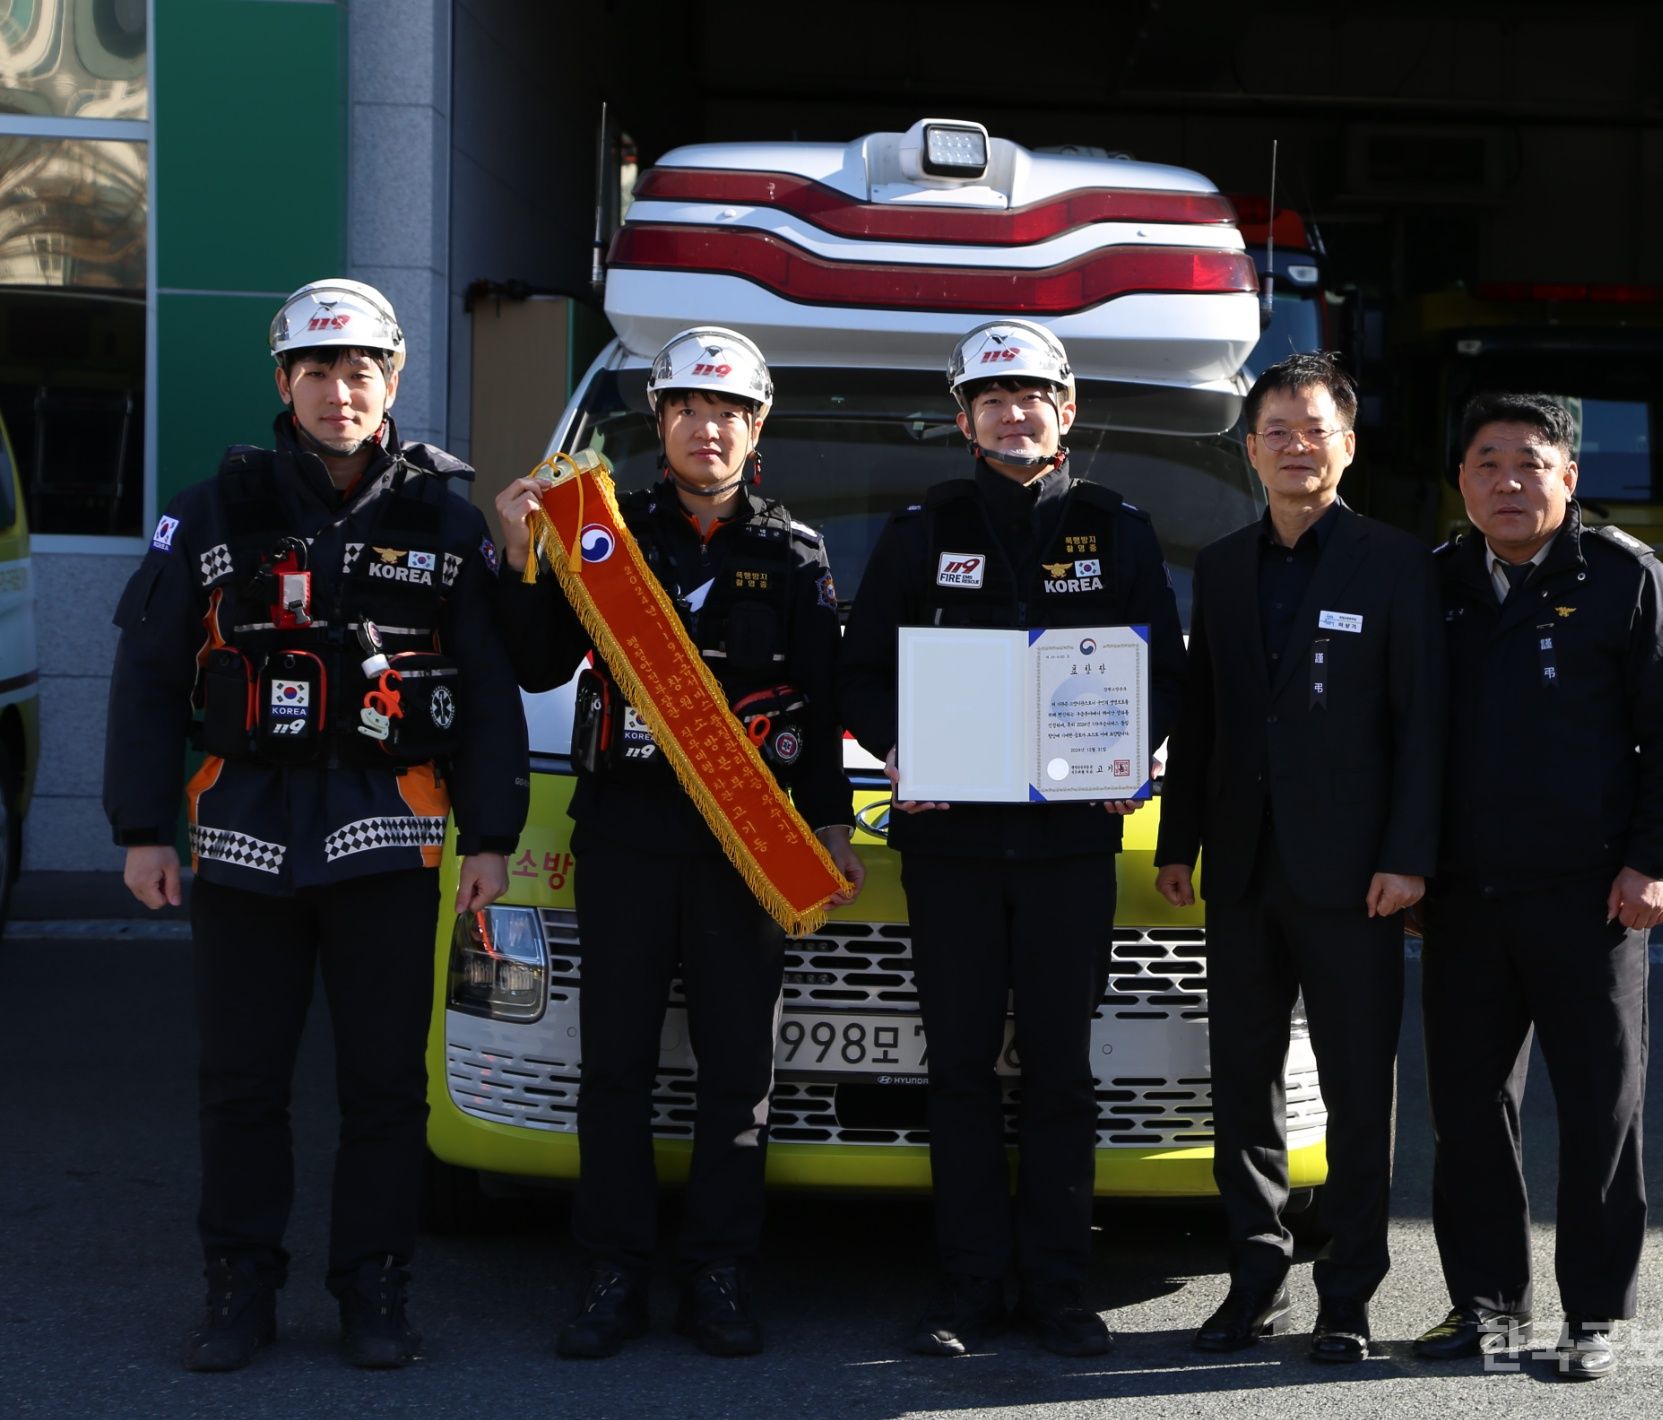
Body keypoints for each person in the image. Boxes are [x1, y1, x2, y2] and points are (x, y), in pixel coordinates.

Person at [102, 278, 528, 1371]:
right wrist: (142, 828)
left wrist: (491, 835)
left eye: (363, 371)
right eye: (319, 371)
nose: (343, 392)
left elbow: (486, 687)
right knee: (242, 1084)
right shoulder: (211, 510)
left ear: (393, 380)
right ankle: (238, 1285)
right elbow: (148, 678)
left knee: (386, 1086)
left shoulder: (445, 514)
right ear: (284, 382)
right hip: (244, 832)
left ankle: (374, 1290)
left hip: (390, 835)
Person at [492, 326, 863, 1360]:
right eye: (691, 409)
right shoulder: (602, 531)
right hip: (624, 835)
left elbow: (822, 706)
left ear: (758, 427)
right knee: (611, 1065)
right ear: (661, 422)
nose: (711, 428)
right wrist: (521, 555)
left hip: (743, 851)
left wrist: (829, 826)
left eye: (731, 412)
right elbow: (532, 665)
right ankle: (612, 1271)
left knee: (737, 1070)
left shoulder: (793, 552)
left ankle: (720, 1271)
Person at [837, 319, 1186, 1359]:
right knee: (957, 1071)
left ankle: (1061, 1290)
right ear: (964, 420)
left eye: (1033, 394)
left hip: (1071, 849)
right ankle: (968, 1288)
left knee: (1061, 1073)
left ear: (1066, 410)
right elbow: (860, 674)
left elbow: (1160, 671)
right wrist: (900, 750)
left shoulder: (1117, 527)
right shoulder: (918, 529)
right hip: (948, 847)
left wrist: (1134, 753)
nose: (1014, 411)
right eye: (993, 398)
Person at [1153, 351, 1443, 1363]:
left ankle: (1349, 1293)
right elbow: (1204, 720)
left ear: (1348, 445)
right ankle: (1256, 1278)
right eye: (1274, 430)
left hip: (1357, 873)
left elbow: (1423, 728)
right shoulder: (1225, 564)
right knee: (1245, 1085)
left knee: (1361, 1089)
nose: (1293, 446)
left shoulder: (1397, 563)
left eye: (1312, 428)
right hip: (1239, 869)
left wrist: (1410, 859)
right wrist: (1180, 840)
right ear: (1250, 449)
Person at [1413, 392, 1663, 1381]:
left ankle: (1594, 1316)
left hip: (1593, 898)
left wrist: (1654, 858)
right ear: (1461, 479)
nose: (1507, 480)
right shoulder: (1440, 581)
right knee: (1468, 1110)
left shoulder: (1626, 577)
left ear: (1568, 477)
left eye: (1529, 461)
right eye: (1485, 460)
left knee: (1600, 1110)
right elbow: (1405, 738)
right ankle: (1487, 1309)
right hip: (1463, 899)